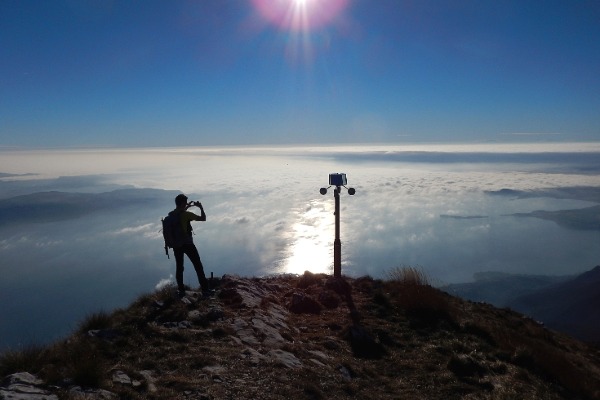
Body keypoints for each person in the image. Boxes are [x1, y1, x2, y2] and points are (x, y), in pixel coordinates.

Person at [172, 193, 210, 297]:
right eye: (185, 203)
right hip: (188, 244)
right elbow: (203, 218)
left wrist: (186, 207)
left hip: (176, 245)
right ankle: (205, 290)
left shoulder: (172, 214)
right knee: (198, 266)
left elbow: (181, 213)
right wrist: (200, 207)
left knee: (179, 268)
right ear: (183, 203)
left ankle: (181, 290)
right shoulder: (186, 215)